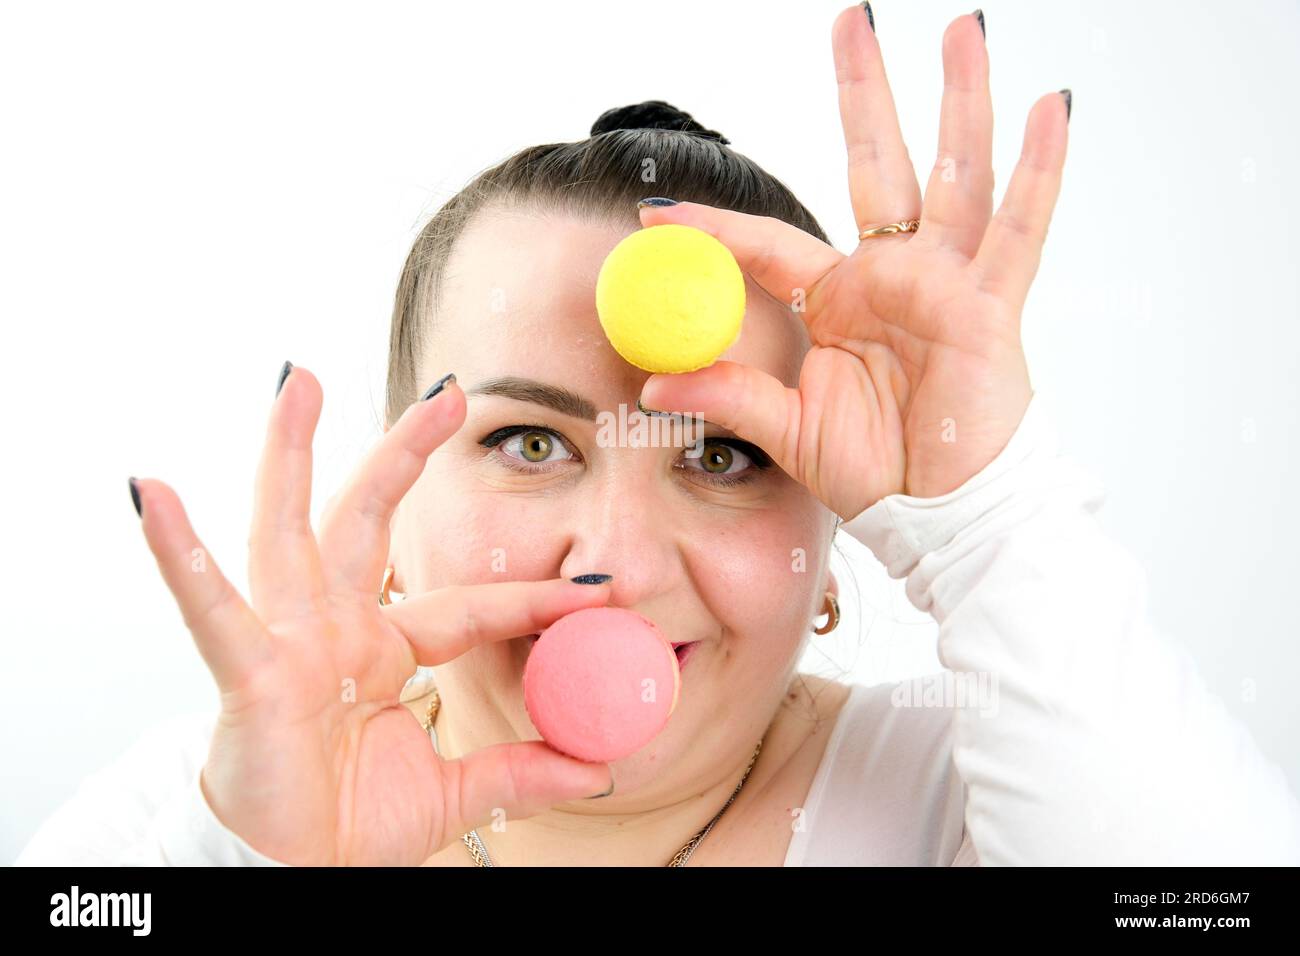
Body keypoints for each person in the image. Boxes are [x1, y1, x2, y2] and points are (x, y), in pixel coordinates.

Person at [16, 5, 1300, 867]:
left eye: (724, 453)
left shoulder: (956, 793)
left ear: (832, 536)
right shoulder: (231, 788)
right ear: (394, 506)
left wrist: (986, 517)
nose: (614, 564)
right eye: (528, 441)